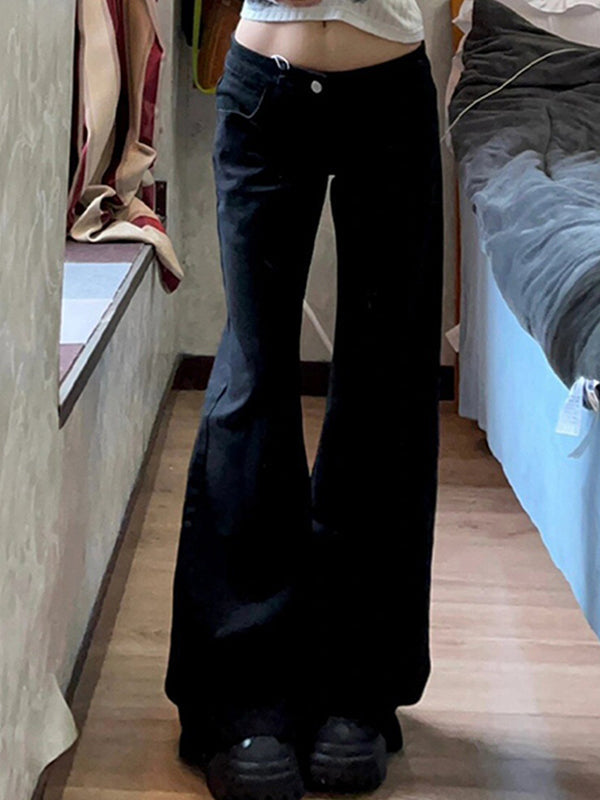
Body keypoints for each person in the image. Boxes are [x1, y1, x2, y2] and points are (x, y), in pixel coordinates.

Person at [164, 3, 444, 799]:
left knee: (386, 388)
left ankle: (358, 689)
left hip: (391, 91)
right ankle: (241, 697)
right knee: (252, 388)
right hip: (265, 90)